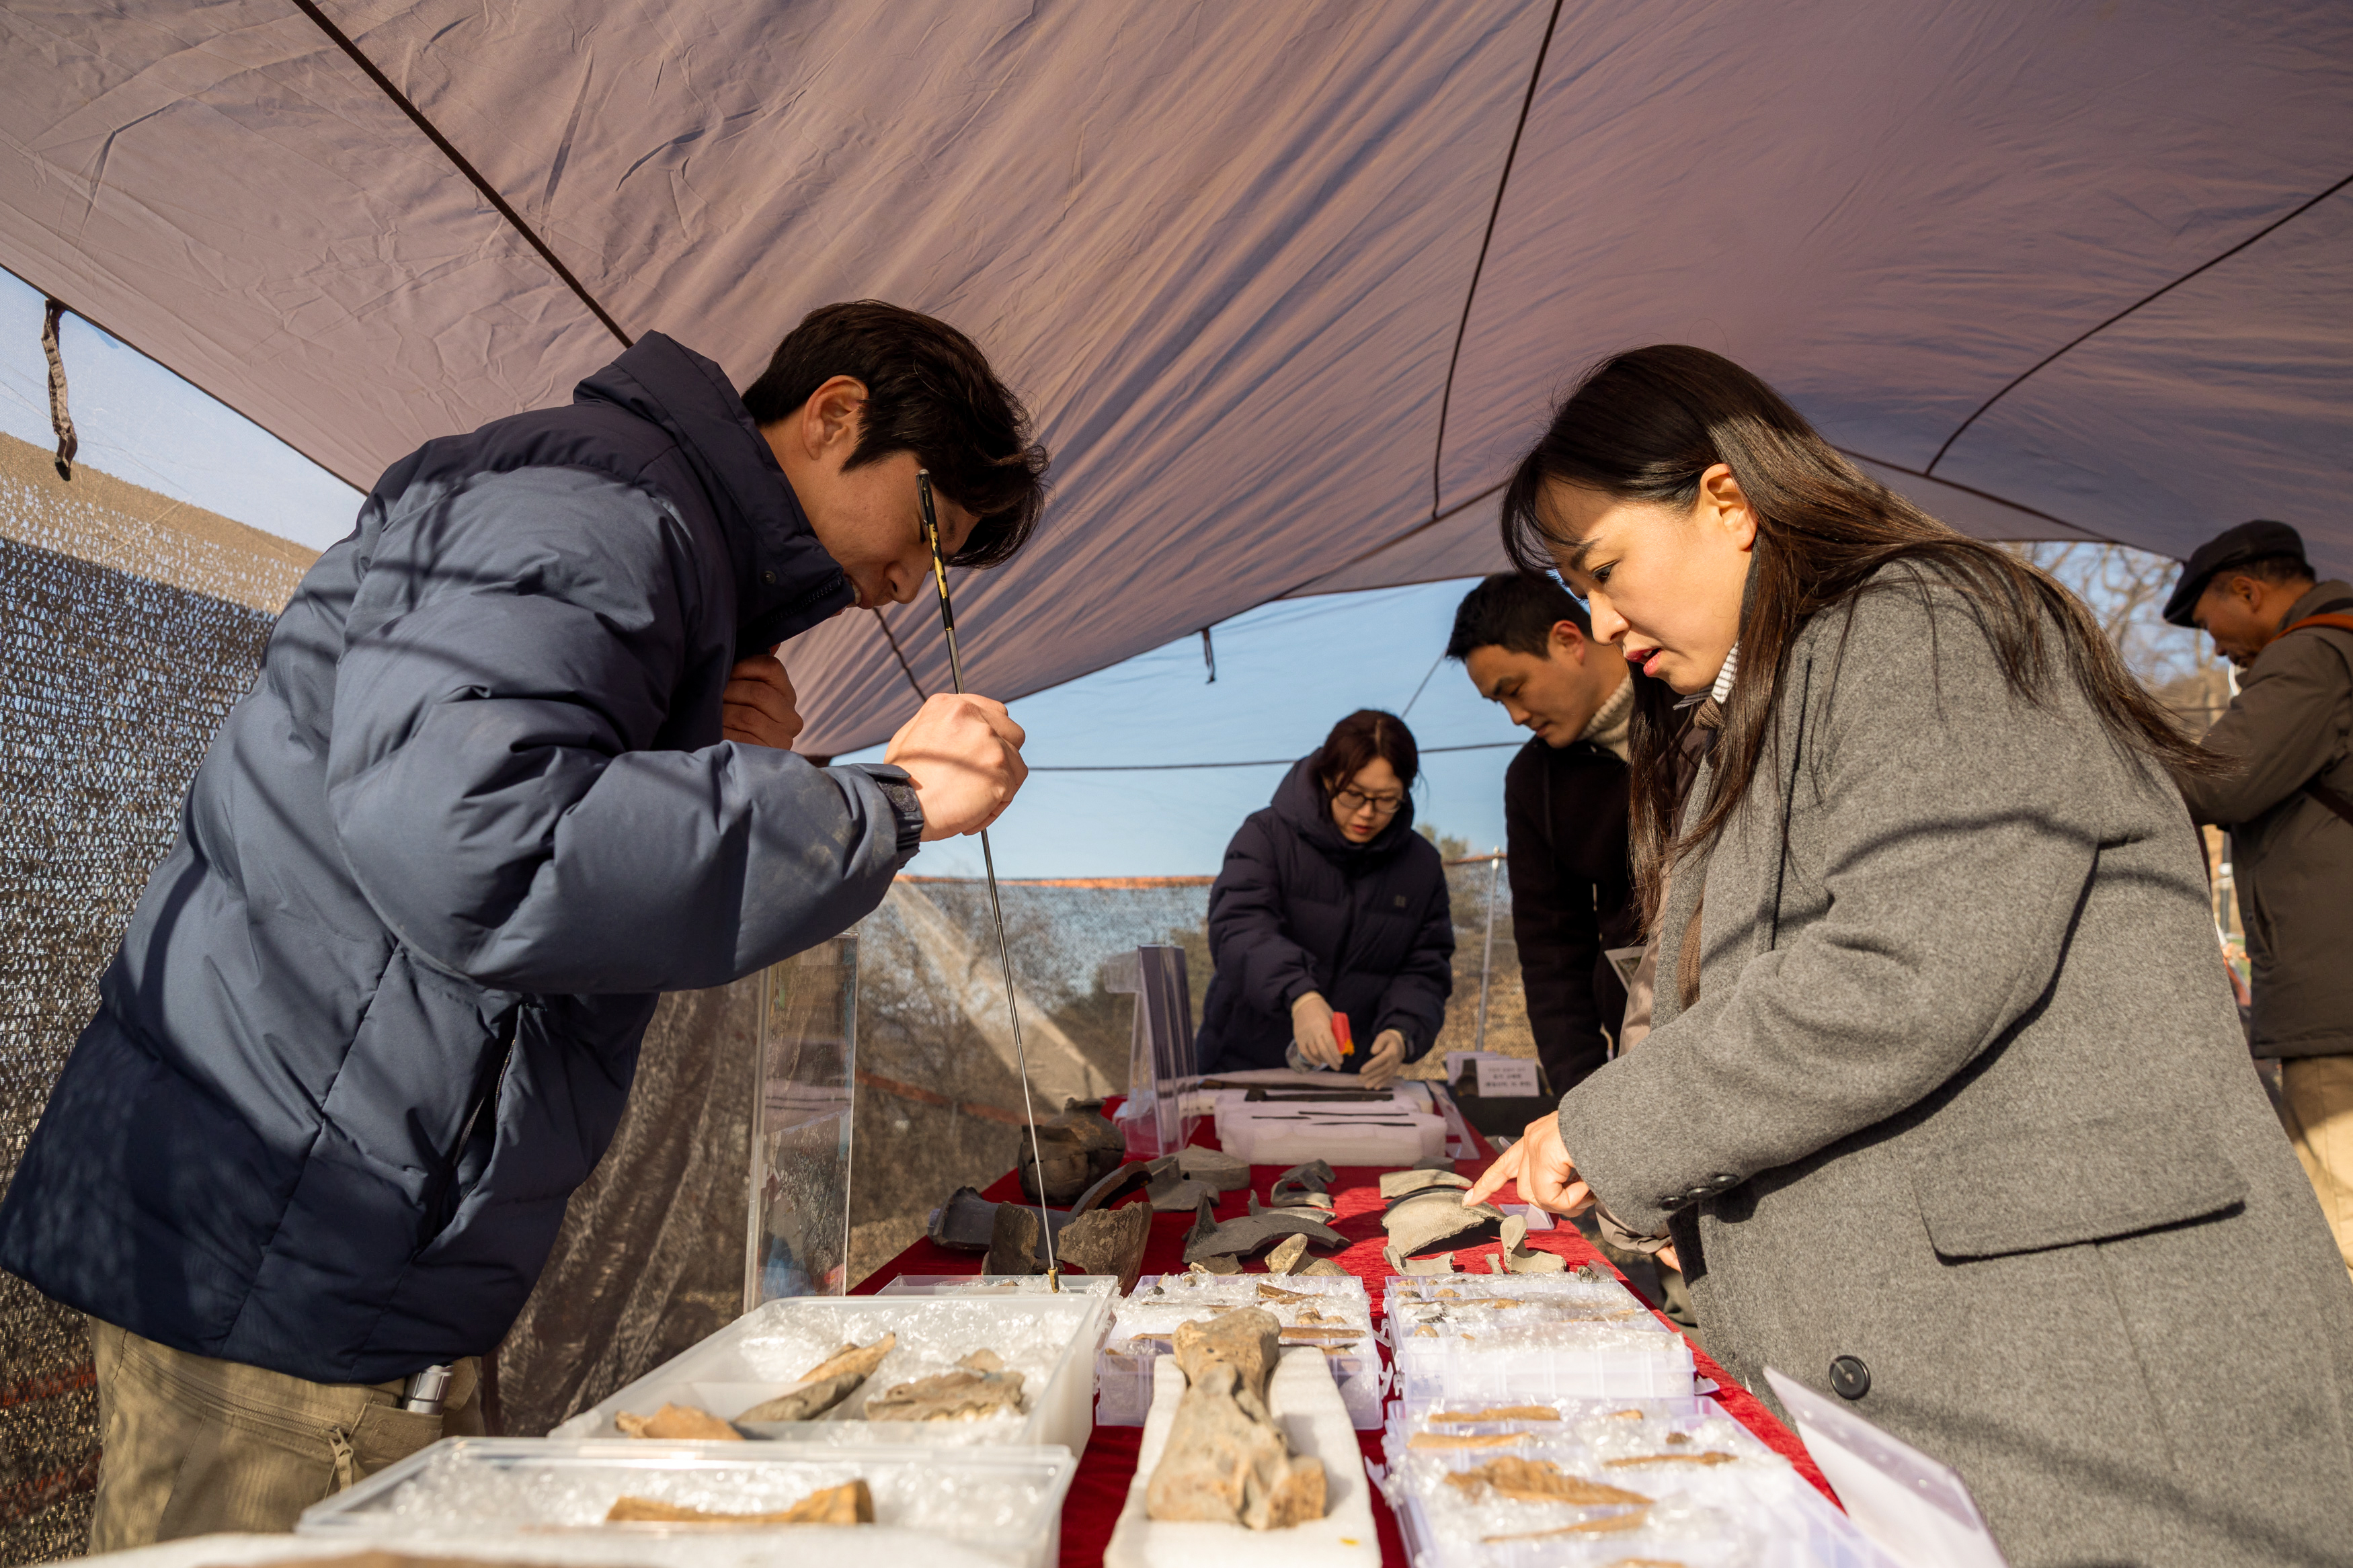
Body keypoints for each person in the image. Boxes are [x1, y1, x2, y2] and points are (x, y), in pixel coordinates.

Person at [0, 301, 1042, 1546]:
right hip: (287, 1239)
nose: (907, 588)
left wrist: (698, 753)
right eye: (930, 535)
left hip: (350, 1240)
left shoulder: (657, 539)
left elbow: (531, 828)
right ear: (835, 414)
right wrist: (885, 803)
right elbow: (473, 843)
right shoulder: (596, 501)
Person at [1462, 345, 2353, 1566]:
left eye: (1604, 570)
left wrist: (1615, 1128)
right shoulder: (1749, 709)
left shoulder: (1925, 625)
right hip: (1971, 1359)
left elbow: (1905, 964)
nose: (1603, 621)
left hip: (2096, 1366)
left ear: (1726, 500)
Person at [2165, 520, 2353, 1282]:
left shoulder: (2313, 655)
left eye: (2209, 622)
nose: (2214, 648)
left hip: (2337, 999)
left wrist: (2131, 753)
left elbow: (2214, 780)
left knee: (2341, 1218)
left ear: (2246, 590)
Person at [1447, 573, 1637, 1095]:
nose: (1515, 717)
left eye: (1515, 689)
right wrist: (1582, 1100)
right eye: (1498, 703)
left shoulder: (1694, 706)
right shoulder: (1534, 782)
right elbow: (1552, 954)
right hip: (1640, 1049)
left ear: (1568, 640)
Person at [1195, 709, 1453, 1089]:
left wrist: (1403, 1030)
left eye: (1386, 800)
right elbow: (1239, 927)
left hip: (1350, 1079)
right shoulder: (1266, 836)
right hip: (1242, 1068)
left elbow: (1426, 967)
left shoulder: (1421, 867)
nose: (1367, 813)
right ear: (1327, 777)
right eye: (1353, 795)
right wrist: (1300, 996)